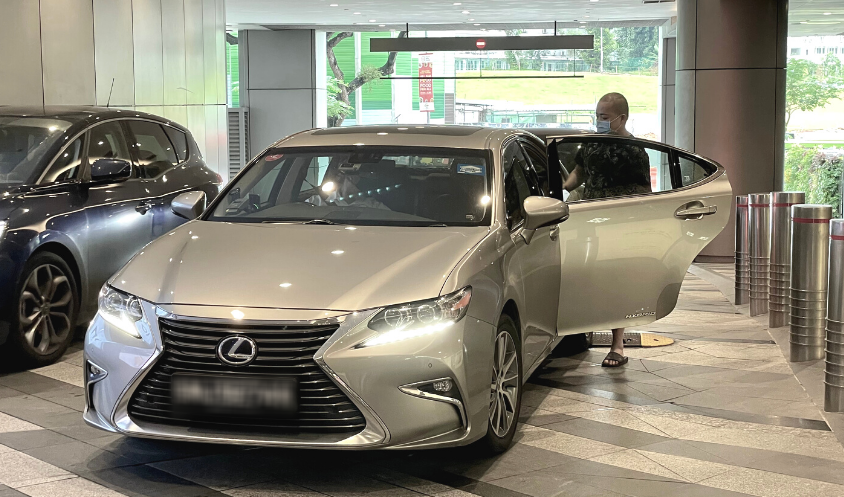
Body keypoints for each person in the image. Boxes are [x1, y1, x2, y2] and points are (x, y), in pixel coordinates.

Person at [563, 92, 652, 368]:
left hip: (618, 224)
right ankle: (579, 330)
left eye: (604, 117)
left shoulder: (635, 152)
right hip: (588, 220)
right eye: (598, 115)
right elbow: (579, 172)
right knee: (585, 275)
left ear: (621, 118)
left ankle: (617, 345)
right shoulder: (591, 144)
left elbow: (643, 193)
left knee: (615, 282)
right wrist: (562, 187)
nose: (599, 122)